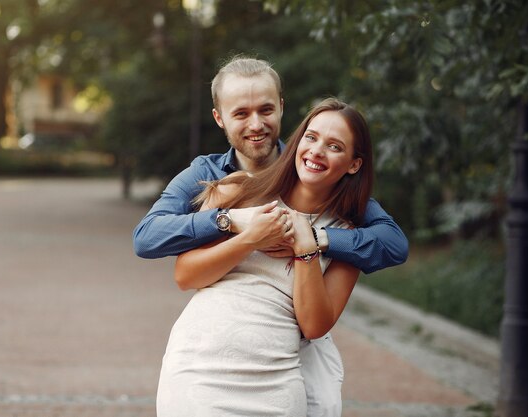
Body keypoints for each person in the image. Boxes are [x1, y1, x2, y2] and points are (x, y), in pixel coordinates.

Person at [134, 56, 408, 415]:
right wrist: (235, 223)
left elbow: (393, 243)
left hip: (285, 364)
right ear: (219, 118)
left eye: (265, 110)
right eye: (241, 113)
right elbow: (150, 240)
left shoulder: (339, 204)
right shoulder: (216, 178)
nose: (256, 124)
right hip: (202, 369)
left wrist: (312, 238)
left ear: (281, 107)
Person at [157, 97, 372, 416]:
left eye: (334, 146)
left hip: (275, 385)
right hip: (197, 372)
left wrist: (305, 245)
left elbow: (314, 325)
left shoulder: (346, 237)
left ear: (354, 164)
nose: (316, 151)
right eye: (311, 138)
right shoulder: (240, 189)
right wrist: (251, 238)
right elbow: (186, 276)